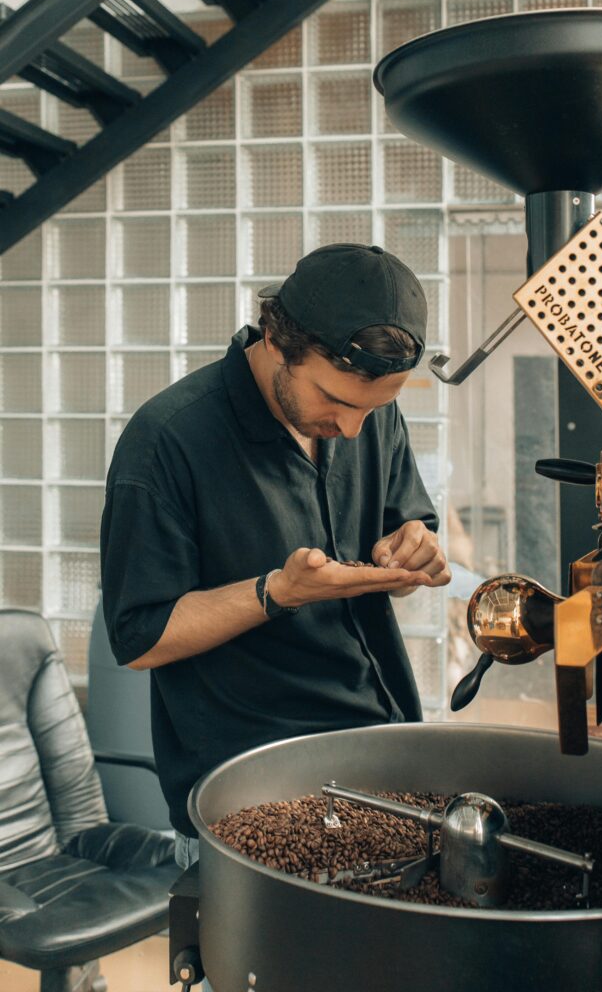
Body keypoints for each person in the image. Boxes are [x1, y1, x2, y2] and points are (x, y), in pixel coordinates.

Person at [100, 243, 451, 870]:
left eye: (371, 410)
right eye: (334, 402)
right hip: (253, 796)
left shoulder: (369, 412)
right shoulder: (167, 443)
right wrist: (275, 594)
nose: (350, 429)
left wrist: (416, 553)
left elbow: (406, 522)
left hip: (381, 762)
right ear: (275, 338)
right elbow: (138, 638)